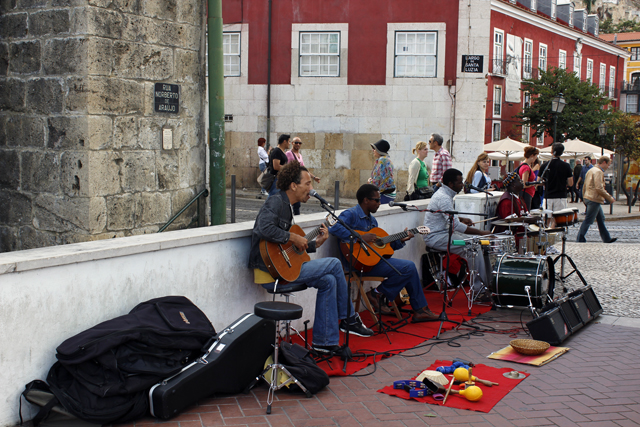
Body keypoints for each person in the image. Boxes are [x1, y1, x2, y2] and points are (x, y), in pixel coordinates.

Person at [248, 161, 373, 355]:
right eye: (307, 184)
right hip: (269, 271)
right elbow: (263, 228)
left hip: (282, 267)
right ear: (293, 185)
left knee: (329, 280)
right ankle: (348, 319)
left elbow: (289, 250)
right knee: (333, 263)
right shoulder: (275, 201)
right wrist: (292, 236)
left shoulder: (287, 206)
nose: (311, 188)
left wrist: (316, 243)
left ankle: (324, 342)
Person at [329, 184, 439, 322]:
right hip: (356, 264)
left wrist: (402, 239)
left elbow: (383, 247)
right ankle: (378, 295)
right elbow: (333, 228)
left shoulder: (372, 220)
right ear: (365, 200)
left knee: (409, 268)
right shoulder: (351, 215)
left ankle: (419, 310)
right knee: (408, 267)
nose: (380, 204)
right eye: (376, 200)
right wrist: (359, 237)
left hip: (372, 262)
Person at [423, 169, 491, 296]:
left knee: (476, 243)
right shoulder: (443, 197)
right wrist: (480, 233)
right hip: (436, 237)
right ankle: (479, 290)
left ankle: (486, 283)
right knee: (473, 245)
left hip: (444, 234)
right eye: (460, 183)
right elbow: (455, 225)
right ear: (451, 184)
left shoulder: (445, 194)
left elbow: (449, 218)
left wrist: (461, 219)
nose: (462, 185)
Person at [576, 156, 617, 243]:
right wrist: (609, 197)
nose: (608, 167)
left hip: (589, 197)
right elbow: (599, 188)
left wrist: (584, 197)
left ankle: (607, 238)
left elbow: (585, 185)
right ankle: (580, 238)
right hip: (594, 199)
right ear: (604, 162)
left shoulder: (591, 170)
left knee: (601, 218)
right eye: (608, 165)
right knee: (589, 219)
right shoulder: (598, 172)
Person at [539, 143, 573, 227]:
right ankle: (553, 234)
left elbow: (538, 181)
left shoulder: (544, 165)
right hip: (560, 196)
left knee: (546, 219)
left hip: (548, 196)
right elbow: (571, 183)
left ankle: (546, 235)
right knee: (557, 220)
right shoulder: (566, 166)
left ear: (552, 151)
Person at [286, 136, 321, 215]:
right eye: (296, 142)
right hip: (292, 182)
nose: (298, 144)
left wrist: (314, 177)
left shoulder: (300, 155)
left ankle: (296, 219)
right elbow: (285, 168)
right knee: (292, 202)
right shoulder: (288, 154)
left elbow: (304, 169)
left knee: (297, 203)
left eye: (299, 143)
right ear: (292, 143)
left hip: (298, 181)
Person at [368, 139, 396, 204]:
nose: (373, 150)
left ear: (379, 150)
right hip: (390, 193)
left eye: (374, 148)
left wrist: (369, 182)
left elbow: (378, 180)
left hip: (385, 194)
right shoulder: (387, 159)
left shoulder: (382, 161)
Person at [517, 146, 542, 210]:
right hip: (526, 194)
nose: (536, 158)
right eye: (536, 156)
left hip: (527, 193)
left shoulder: (524, 165)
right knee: (526, 212)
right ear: (532, 156)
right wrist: (534, 183)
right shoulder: (526, 167)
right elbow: (524, 184)